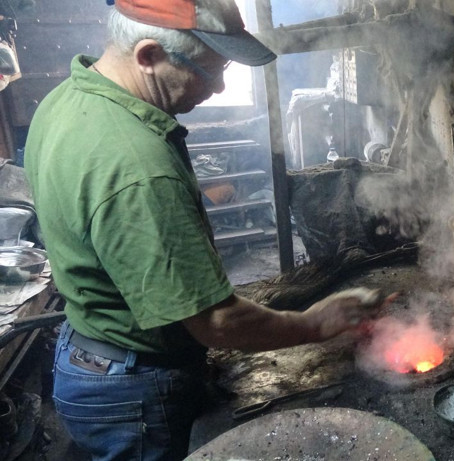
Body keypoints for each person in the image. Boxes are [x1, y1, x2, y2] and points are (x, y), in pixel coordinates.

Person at [23, 1, 387, 459]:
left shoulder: (68, 99)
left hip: (88, 352)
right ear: (148, 55)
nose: (217, 87)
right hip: (131, 386)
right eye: (207, 70)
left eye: (225, 69)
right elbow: (217, 322)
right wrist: (314, 323)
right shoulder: (139, 169)